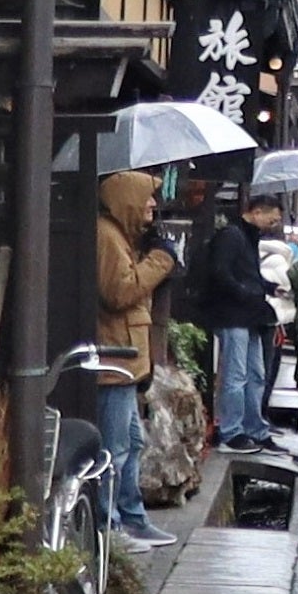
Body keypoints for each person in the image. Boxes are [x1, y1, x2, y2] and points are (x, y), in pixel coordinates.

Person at [95, 171, 181, 550]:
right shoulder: (106, 236)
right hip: (115, 360)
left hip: (127, 363)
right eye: (146, 197)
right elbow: (119, 292)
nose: (152, 204)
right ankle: (110, 526)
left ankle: (132, 518)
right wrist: (160, 260)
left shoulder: (120, 236)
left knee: (130, 442)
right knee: (115, 449)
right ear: (127, 200)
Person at [196, 194, 286, 455]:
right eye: (272, 219)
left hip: (248, 314)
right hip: (233, 314)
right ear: (257, 212)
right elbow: (220, 273)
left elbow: (245, 275)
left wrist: (268, 287)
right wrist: (248, 292)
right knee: (236, 375)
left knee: (256, 374)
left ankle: (254, 429)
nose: (273, 225)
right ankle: (231, 432)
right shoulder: (232, 236)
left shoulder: (247, 236)